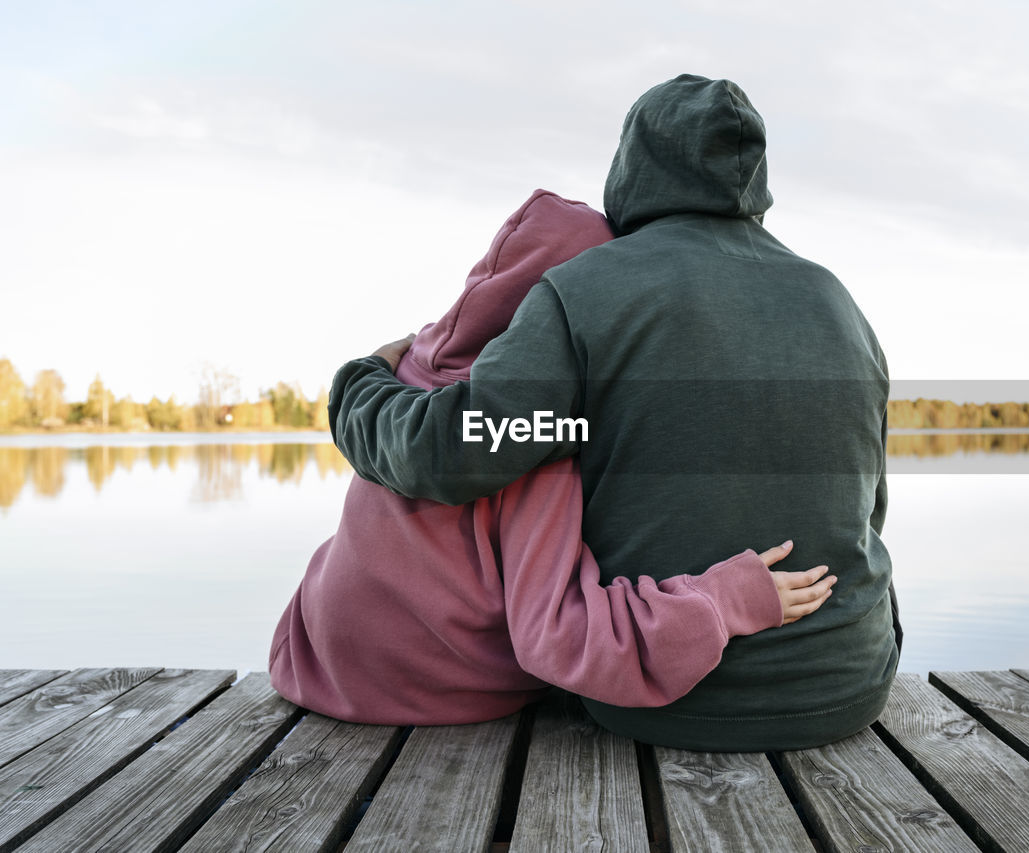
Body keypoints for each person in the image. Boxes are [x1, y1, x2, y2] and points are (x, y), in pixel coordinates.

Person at [329, 75, 899, 749]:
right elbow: (868, 509)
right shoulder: (839, 301)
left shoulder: (584, 290)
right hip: (853, 683)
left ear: (631, 170)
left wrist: (358, 385)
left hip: (664, 702)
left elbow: (451, 453)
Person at [269, 189, 836, 725]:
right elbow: (558, 639)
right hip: (431, 694)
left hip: (307, 657)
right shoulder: (539, 430)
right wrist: (722, 601)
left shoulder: (404, 372)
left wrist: (371, 365)